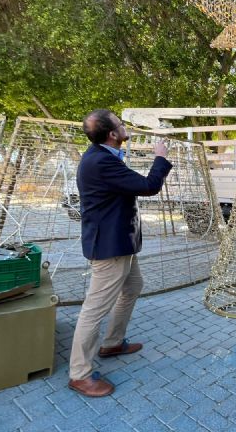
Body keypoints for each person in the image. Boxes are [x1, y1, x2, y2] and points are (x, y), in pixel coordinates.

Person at [68, 109, 172, 397]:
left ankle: (113, 342)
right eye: (121, 124)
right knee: (93, 310)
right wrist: (160, 156)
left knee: (133, 286)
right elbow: (148, 186)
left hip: (119, 244)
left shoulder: (103, 157)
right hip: (109, 249)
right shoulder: (101, 162)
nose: (125, 126)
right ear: (113, 134)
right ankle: (79, 373)